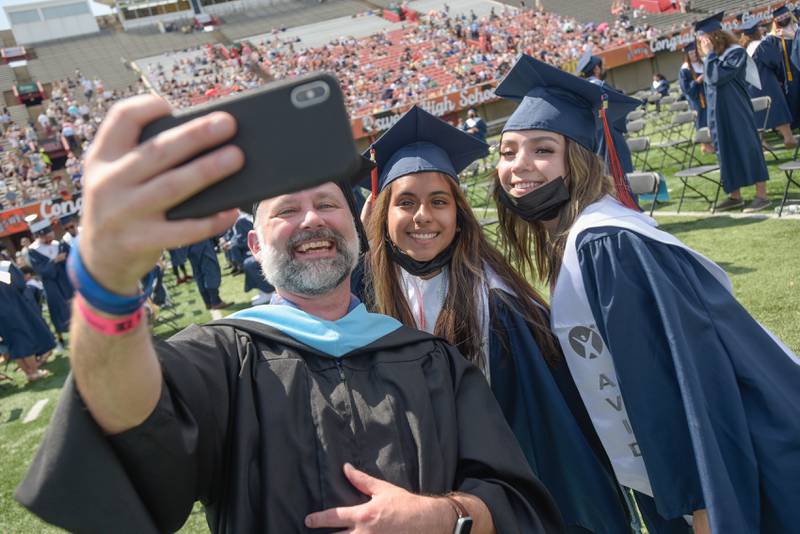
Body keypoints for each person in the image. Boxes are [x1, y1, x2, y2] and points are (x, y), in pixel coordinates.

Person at [16, 94, 564, 534]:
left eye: (328, 204)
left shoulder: (430, 359)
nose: (312, 221)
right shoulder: (225, 357)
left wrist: (440, 517)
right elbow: (126, 412)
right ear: (254, 245)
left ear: (355, 230)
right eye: (287, 210)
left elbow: (513, 500)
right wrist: (107, 287)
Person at [492, 53, 800, 534]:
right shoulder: (587, 236)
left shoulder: (607, 245)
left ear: (577, 159)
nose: (519, 166)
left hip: (732, 458)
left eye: (542, 150)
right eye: (508, 152)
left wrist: (700, 506)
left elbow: (666, 383)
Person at [363, 105, 643, 533]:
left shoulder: (498, 306)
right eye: (405, 203)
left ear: (459, 218)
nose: (422, 216)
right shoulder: (369, 296)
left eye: (439, 201)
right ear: (382, 217)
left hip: (504, 501)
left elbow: (550, 438)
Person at [697, 12, 772, 212]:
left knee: (748, 147)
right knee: (725, 151)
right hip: (718, 114)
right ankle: (735, 195)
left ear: (715, 36)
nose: (701, 43)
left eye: (703, 39)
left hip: (736, 110)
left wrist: (710, 55)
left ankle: (762, 196)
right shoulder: (714, 58)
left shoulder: (735, 53)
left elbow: (715, 78)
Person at [575, 50, 641, 176]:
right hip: (610, 135)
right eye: (602, 66)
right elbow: (618, 109)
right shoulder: (600, 85)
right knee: (621, 175)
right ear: (596, 69)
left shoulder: (582, 88)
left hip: (594, 138)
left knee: (605, 176)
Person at [739, 18, 797, 148]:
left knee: (759, 113)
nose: (761, 29)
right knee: (779, 108)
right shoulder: (762, 45)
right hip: (768, 82)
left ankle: (761, 142)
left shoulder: (743, 49)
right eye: (759, 27)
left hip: (752, 85)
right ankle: (788, 138)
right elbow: (775, 61)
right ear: (756, 31)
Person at [0, 260, 55, 382]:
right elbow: (20, 285)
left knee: (12, 343)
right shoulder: (5, 267)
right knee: (25, 340)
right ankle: (34, 372)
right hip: (15, 309)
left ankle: (28, 373)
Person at [27, 218, 73, 348]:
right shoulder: (34, 251)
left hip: (66, 283)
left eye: (49, 234)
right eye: (44, 236)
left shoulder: (60, 244)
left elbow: (72, 261)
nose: (48, 238)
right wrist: (55, 261)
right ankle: (60, 339)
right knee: (57, 311)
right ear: (38, 236)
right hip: (51, 286)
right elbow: (41, 271)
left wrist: (65, 259)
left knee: (73, 307)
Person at [769, 6, 800, 128]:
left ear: (790, 15)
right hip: (788, 74)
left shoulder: (797, 29)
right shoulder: (774, 37)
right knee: (792, 97)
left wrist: (791, 35)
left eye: (784, 15)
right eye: (779, 17)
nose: (783, 19)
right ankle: (794, 124)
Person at [186, 237, 230, 310]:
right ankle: (216, 301)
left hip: (188, 244)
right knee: (210, 270)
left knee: (199, 274)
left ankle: (208, 302)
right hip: (200, 240)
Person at [678, 42, 709, 132]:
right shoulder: (685, 69)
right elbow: (685, 88)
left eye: (695, 52)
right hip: (698, 100)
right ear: (687, 55)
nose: (694, 55)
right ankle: (705, 143)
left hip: (710, 95)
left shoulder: (704, 63)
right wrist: (696, 81)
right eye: (691, 53)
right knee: (701, 120)